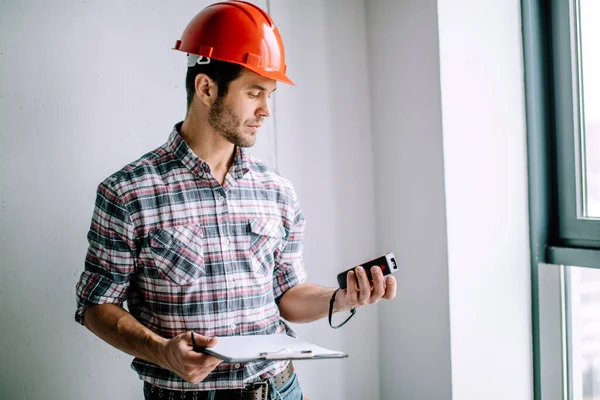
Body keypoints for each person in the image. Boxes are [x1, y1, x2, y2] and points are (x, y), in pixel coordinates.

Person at [74, 2, 397, 399]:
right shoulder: (128, 192)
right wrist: (162, 352)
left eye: (270, 94)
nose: (266, 111)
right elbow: (95, 305)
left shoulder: (277, 190)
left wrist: (341, 298)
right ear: (206, 88)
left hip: (280, 389)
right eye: (254, 93)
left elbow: (287, 296)